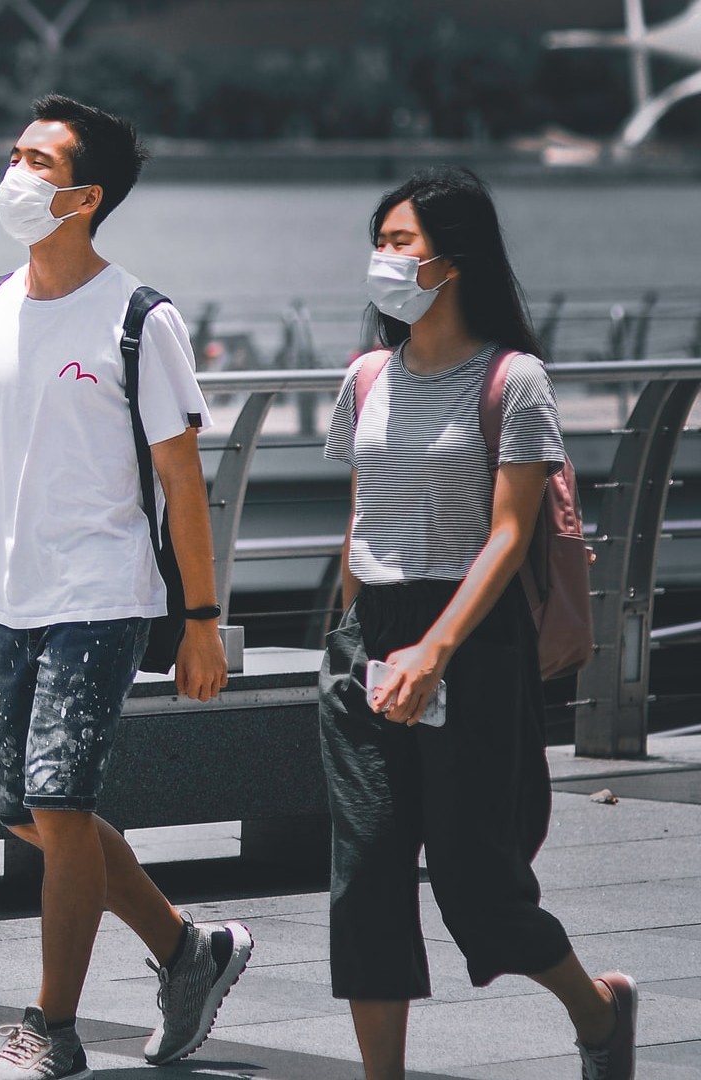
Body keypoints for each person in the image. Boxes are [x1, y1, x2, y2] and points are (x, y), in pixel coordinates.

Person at [0, 94, 250, 1080]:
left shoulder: (141, 320)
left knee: (61, 807)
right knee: (26, 812)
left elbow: (184, 481)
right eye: (15, 153)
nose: (15, 175)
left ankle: (51, 1033)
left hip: (105, 595)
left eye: (38, 162)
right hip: (10, 596)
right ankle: (191, 952)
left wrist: (200, 620)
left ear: (85, 197)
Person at [320, 166, 637, 1080]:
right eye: (377, 241)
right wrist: (349, 639)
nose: (382, 259)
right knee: (366, 877)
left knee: (477, 886)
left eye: (400, 242)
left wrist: (435, 649)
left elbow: (509, 534)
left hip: (467, 637)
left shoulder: (513, 379)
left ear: (452, 260)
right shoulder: (366, 376)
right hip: (368, 640)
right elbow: (362, 516)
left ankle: (598, 1009)